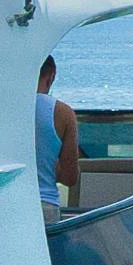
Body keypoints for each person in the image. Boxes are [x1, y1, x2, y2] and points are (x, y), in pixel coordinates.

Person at [33, 55, 81, 208]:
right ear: (51, 76)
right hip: (44, 203)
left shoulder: (2, 109)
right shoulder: (63, 113)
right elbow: (70, 177)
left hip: (6, 203)